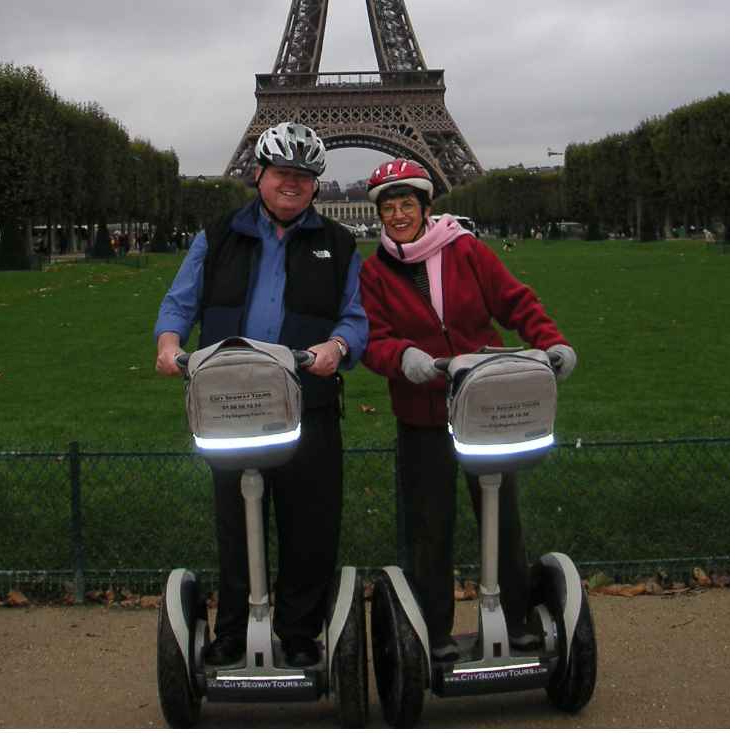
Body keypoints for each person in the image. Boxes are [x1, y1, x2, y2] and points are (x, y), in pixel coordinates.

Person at [154, 122, 368, 669]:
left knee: (310, 523)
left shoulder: (339, 244)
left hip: (308, 401)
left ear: (315, 185)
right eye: (281, 174)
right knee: (235, 520)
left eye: (303, 176)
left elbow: (355, 316)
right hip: (232, 400)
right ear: (259, 176)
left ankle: (298, 630)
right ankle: (233, 626)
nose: (291, 184)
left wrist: (339, 347)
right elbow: (182, 298)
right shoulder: (219, 234)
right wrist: (169, 341)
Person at [358, 158, 577, 662]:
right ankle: (433, 629)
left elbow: (514, 301)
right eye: (388, 207)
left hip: (486, 406)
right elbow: (373, 338)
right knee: (429, 526)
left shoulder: (465, 249)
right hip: (423, 414)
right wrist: (406, 359)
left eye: (405, 204)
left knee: (501, 516)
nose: (396, 215)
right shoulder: (373, 271)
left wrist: (552, 343)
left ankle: (516, 620)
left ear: (426, 206)